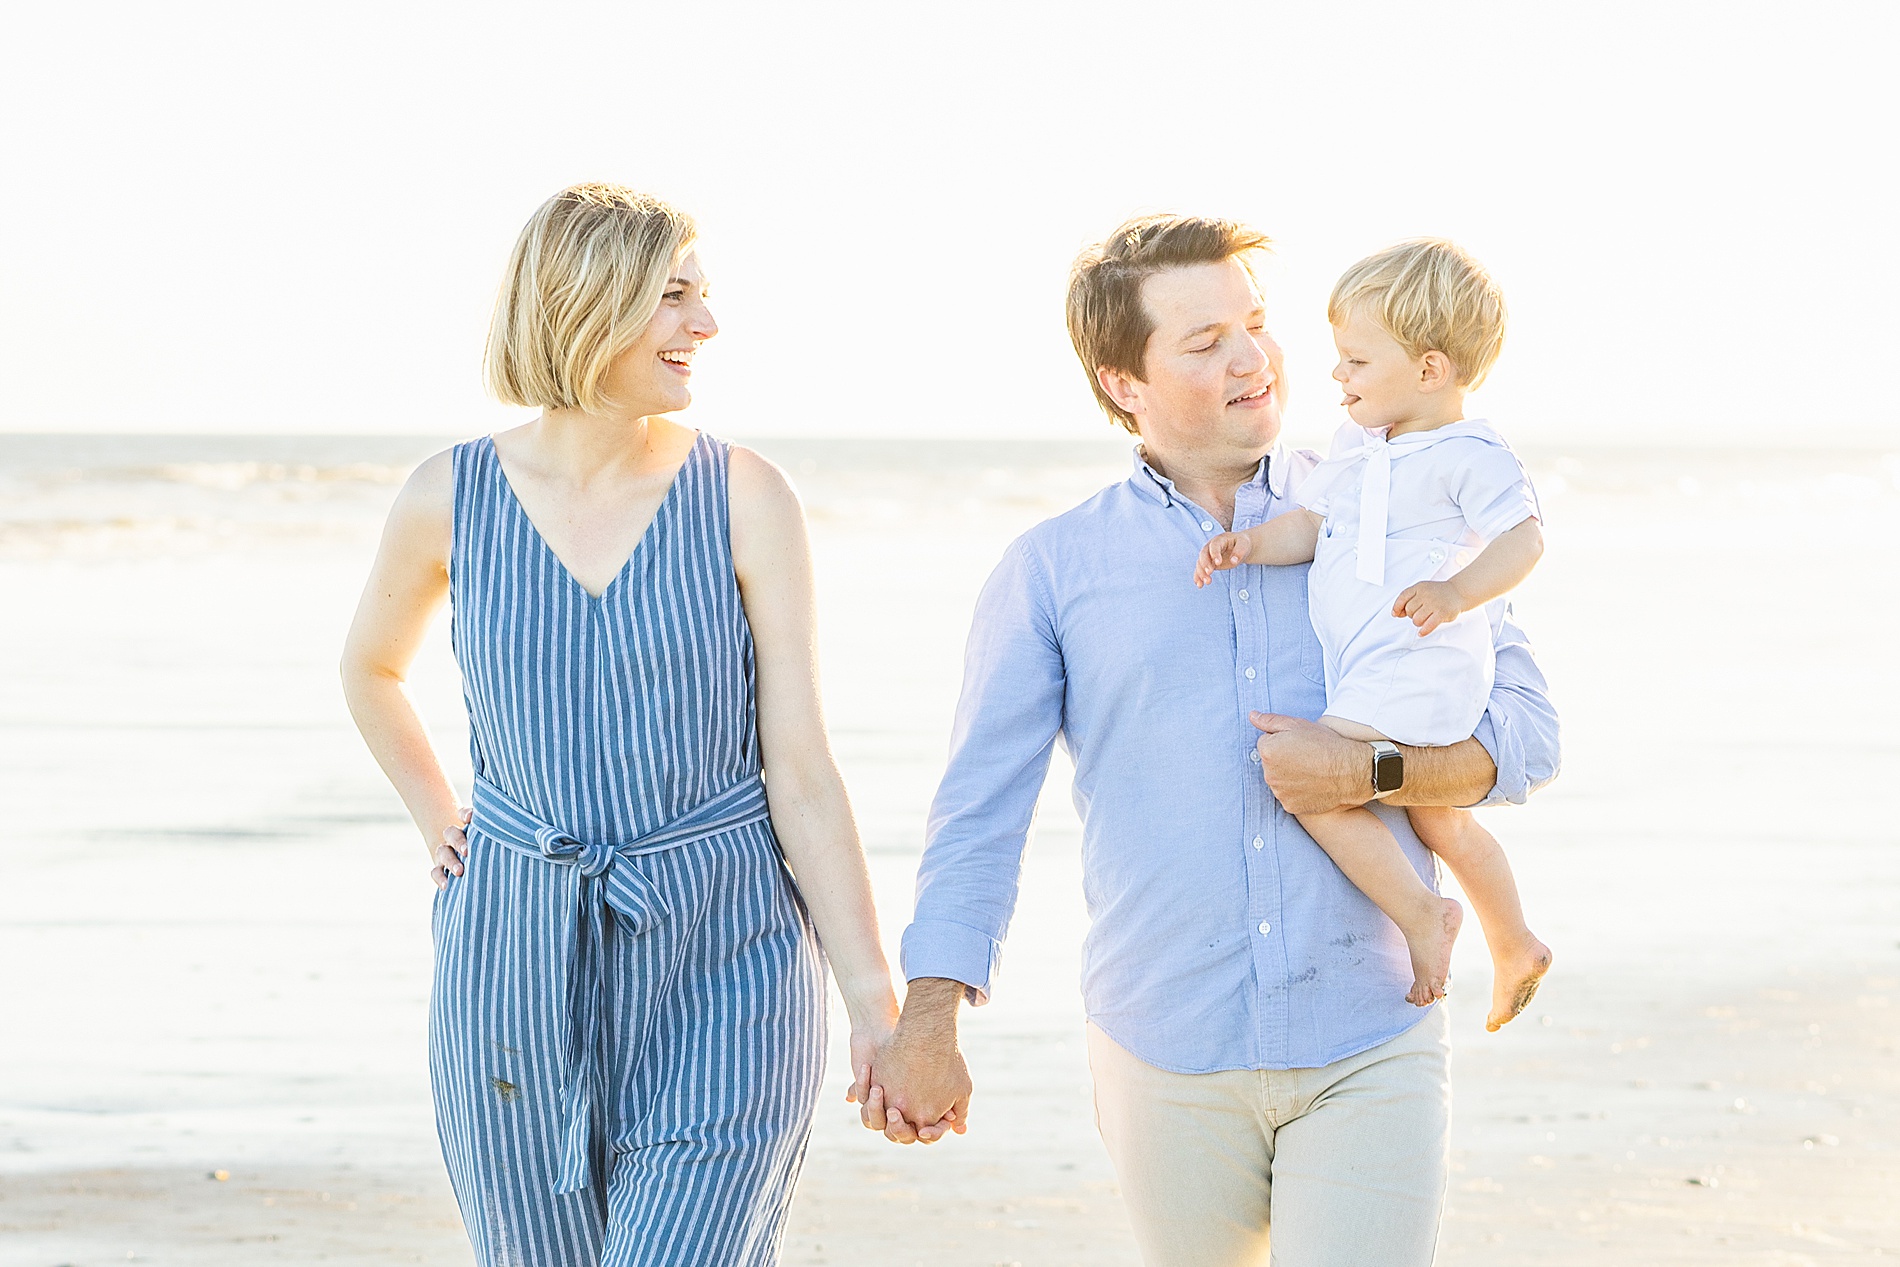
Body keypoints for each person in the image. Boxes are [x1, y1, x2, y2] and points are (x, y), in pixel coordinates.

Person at [860, 215, 1560, 1267]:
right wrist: (927, 1019)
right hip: (1164, 1042)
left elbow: (1527, 740)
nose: (1254, 359)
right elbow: (978, 811)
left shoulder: (1391, 505)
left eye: (1256, 325)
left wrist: (1374, 770)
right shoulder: (1053, 569)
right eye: (1204, 342)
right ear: (1122, 383)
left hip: (1370, 1026)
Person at [339, 184, 897, 1266]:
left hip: (727, 953)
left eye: (703, 295)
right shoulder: (446, 497)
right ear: (586, 300)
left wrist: (878, 1002)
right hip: (511, 956)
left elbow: (803, 769)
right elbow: (370, 669)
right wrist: (437, 813)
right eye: (674, 295)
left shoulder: (743, 494)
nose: (706, 325)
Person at [1194, 238, 1552, 1030]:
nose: (1336, 376)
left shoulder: (1470, 454)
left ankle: (1424, 915)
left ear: (1429, 371)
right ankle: (1514, 936)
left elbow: (1524, 540)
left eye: (1356, 362)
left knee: (1305, 775)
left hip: (1417, 665)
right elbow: (1313, 526)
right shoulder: (1358, 449)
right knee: (1439, 817)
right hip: (1372, 665)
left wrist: (1457, 590)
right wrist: (1249, 544)